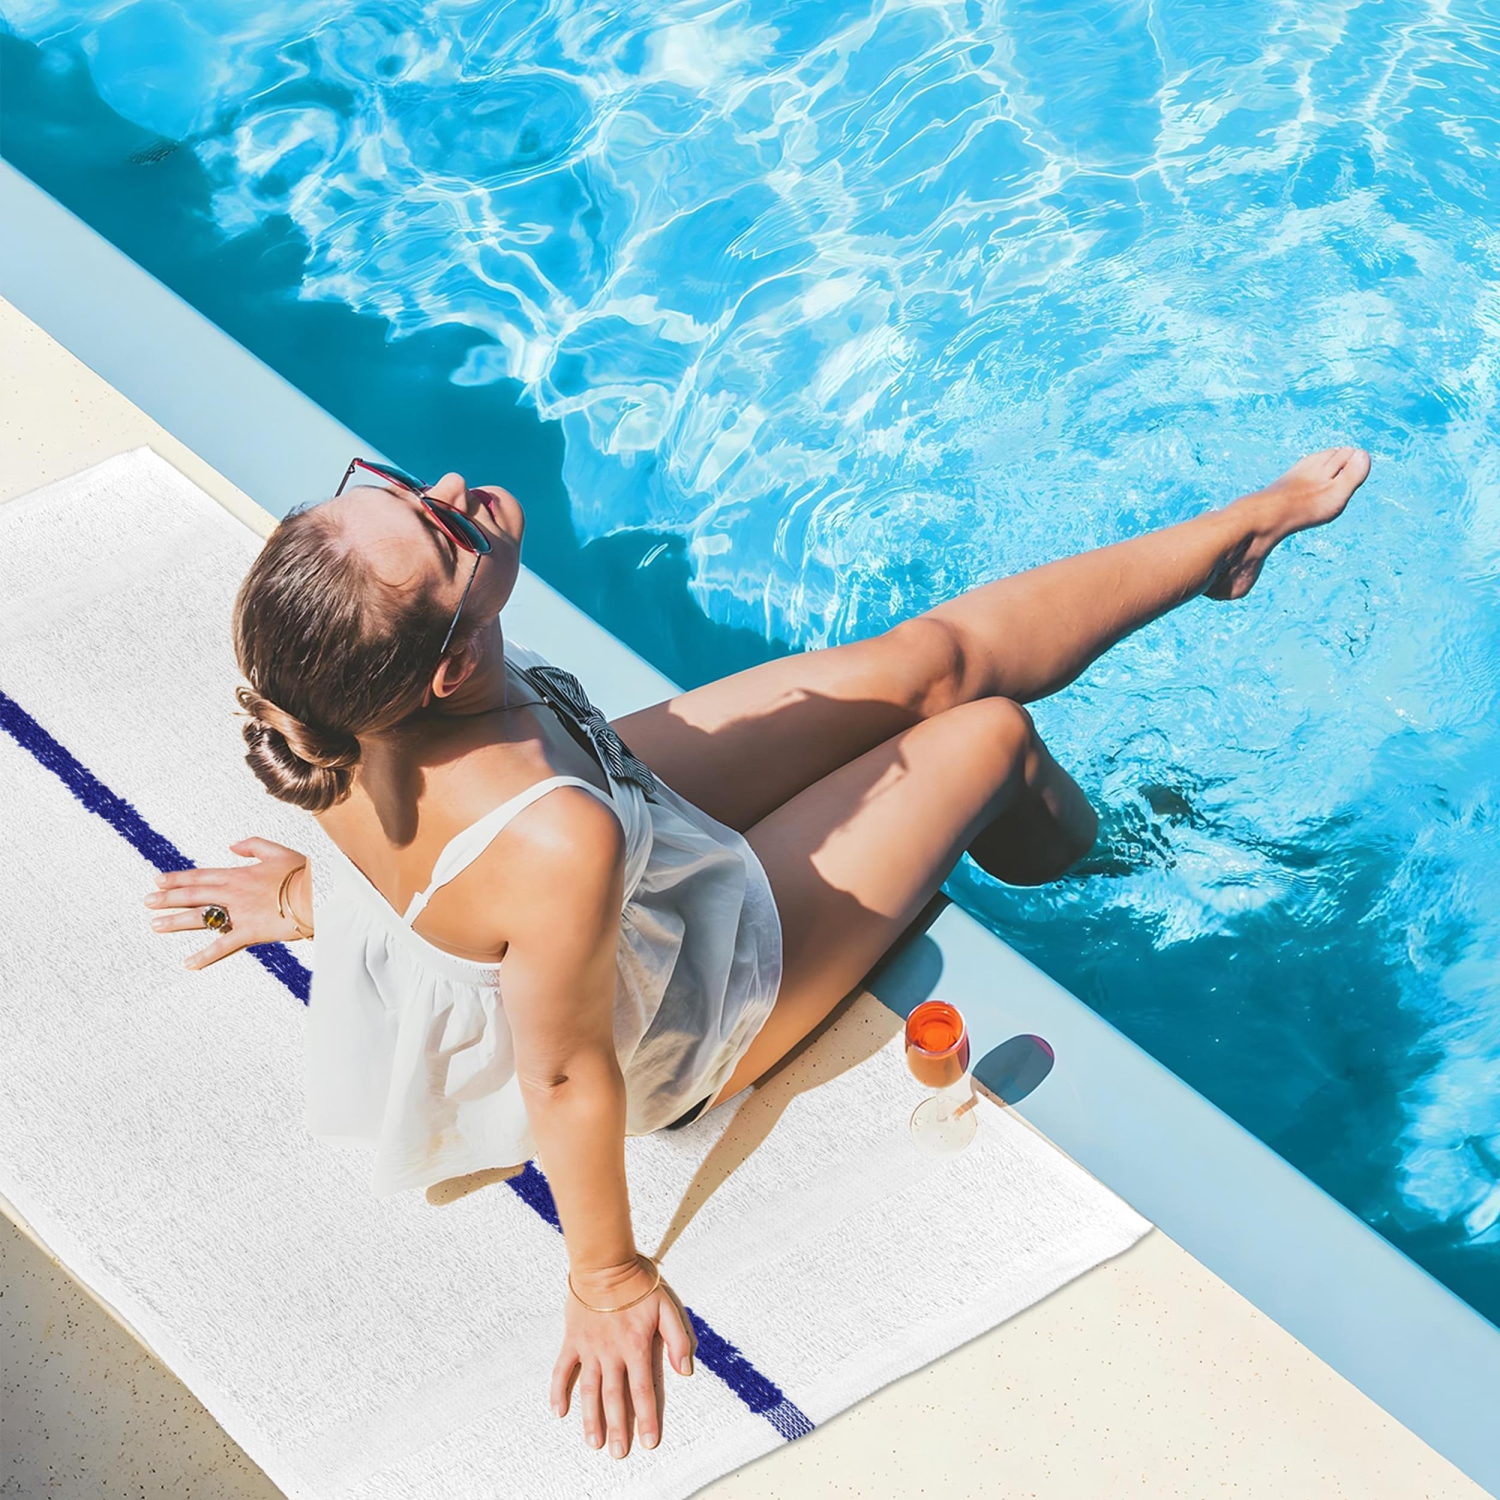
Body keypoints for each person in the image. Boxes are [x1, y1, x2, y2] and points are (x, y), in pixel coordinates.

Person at [142, 444, 1369, 1461]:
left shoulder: (315, 687)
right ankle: (1106, 874)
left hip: (617, 826)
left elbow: (413, 879)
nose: (454, 487)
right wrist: (608, 1277)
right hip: (688, 999)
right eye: (442, 529)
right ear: (453, 660)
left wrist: (309, 895)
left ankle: (1232, 537)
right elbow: (567, 1075)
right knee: (990, 735)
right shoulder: (550, 842)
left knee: (924, 667)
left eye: (404, 489)